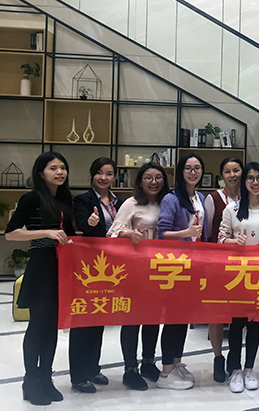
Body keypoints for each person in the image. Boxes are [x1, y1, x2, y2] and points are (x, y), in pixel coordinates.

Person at [6, 152, 75, 406]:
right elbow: (11, 233)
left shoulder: (65, 199)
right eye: (53, 168)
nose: (59, 172)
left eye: (63, 167)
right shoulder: (32, 198)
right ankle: (31, 380)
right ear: (40, 172)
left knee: (51, 327)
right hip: (41, 267)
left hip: (62, 267)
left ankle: (46, 376)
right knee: (37, 325)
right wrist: (46, 232)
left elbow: (70, 235)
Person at [107, 162, 171, 391]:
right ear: (140, 181)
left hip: (160, 269)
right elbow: (112, 233)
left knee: (153, 318)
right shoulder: (131, 203)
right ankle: (130, 369)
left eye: (158, 177)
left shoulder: (168, 202)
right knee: (132, 319)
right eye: (148, 177)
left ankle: (148, 362)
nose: (153, 182)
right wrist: (129, 234)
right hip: (135, 270)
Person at [218, 162, 259, 393]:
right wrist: (235, 242)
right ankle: (235, 369)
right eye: (250, 178)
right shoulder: (231, 209)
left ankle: (249, 368)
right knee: (236, 324)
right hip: (237, 275)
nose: (255, 182)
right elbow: (220, 239)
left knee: (254, 324)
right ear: (244, 182)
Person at [69, 157, 123, 393]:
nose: (104, 177)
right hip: (89, 267)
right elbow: (82, 223)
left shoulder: (119, 202)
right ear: (92, 175)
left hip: (112, 266)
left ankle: (92, 368)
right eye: (99, 173)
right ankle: (78, 375)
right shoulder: (83, 199)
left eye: (109, 173)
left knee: (100, 316)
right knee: (83, 319)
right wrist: (89, 222)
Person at [156, 153, 209, 390]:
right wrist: (187, 233)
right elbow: (163, 233)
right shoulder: (171, 199)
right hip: (175, 267)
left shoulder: (200, 197)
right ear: (181, 172)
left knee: (184, 318)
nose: (193, 172)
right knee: (173, 318)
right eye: (188, 168)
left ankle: (176, 362)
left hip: (194, 265)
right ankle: (166, 371)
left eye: (197, 168)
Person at [204, 156, 243, 383]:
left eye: (236, 170)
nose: (232, 175)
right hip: (218, 263)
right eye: (227, 171)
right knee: (217, 313)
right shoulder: (213, 198)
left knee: (239, 314)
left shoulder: (250, 196)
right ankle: (218, 357)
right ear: (221, 176)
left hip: (244, 266)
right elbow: (208, 232)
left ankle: (234, 357)